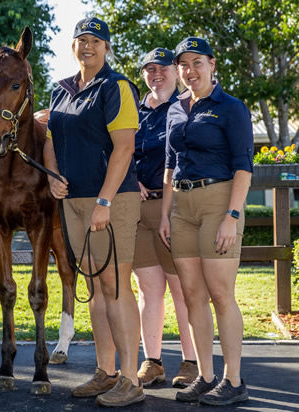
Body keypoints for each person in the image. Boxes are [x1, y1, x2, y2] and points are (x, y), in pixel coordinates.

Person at [44, 17, 144, 407]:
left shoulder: (116, 86)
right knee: (95, 288)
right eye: (81, 40)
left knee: (116, 289)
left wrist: (105, 200)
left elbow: (124, 149)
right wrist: (53, 176)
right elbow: (51, 136)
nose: (87, 46)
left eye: (95, 41)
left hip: (111, 200)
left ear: (106, 47)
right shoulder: (61, 90)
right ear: (72, 46)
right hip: (73, 201)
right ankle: (107, 372)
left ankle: (132, 380)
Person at [159, 37, 253, 406]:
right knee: (192, 295)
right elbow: (169, 165)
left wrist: (232, 216)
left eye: (197, 62)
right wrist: (166, 213)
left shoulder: (231, 108)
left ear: (213, 65)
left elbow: (244, 166)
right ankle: (205, 375)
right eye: (183, 64)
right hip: (182, 205)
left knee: (220, 295)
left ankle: (233, 380)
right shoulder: (175, 109)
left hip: (219, 201)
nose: (190, 70)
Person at [133, 48, 198, 388]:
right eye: (149, 68)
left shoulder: (186, 107)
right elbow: (116, 150)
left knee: (181, 289)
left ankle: (191, 361)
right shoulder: (134, 110)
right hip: (138, 211)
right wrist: (131, 178)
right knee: (148, 289)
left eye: (163, 68)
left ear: (176, 71)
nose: (156, 73)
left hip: (172, 209)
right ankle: (153, 360)